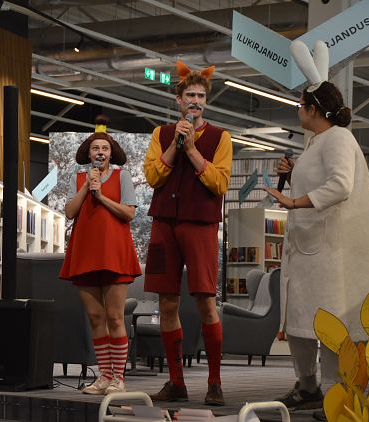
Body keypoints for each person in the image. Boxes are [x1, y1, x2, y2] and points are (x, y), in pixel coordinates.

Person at [264, 48, 369, 410]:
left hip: (328, 252)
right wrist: (294, 174)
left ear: (313, 109)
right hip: (309, 249)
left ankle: (338, 393)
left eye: (300, 105)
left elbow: (340, 185)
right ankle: (308, 386)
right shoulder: (316, 141)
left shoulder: (338, 138)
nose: (297, 110)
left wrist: (293, 202)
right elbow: (323, 183)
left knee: (331, 323)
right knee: (300, 321)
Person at [143, 62, 232, 405]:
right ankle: (176, 382)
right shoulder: (161, 134)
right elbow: (153, 177)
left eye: (201, 96)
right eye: (190, 95)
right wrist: (175, 145)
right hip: (163, 224)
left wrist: (192, 149)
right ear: (178, 100)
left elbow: (219, 183)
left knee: (206, 301)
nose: (195, 101)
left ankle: (215, 383)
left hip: (200, 225)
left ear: (205, 101)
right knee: (166, 303)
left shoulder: (220, 137)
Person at [59, 116, 141, 395]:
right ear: (89, 154)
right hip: (85, 253)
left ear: (111, 153)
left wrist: (102, 196)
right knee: (95, 317)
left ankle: (118, 377)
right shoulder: (78, 179)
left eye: (105, 148)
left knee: (115, 317)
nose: (100, 152)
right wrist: (87, 186)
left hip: (114, 252)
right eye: (95, 148)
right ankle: (104, 376)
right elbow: (70, 212)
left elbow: (129, 213)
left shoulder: (122, 177)